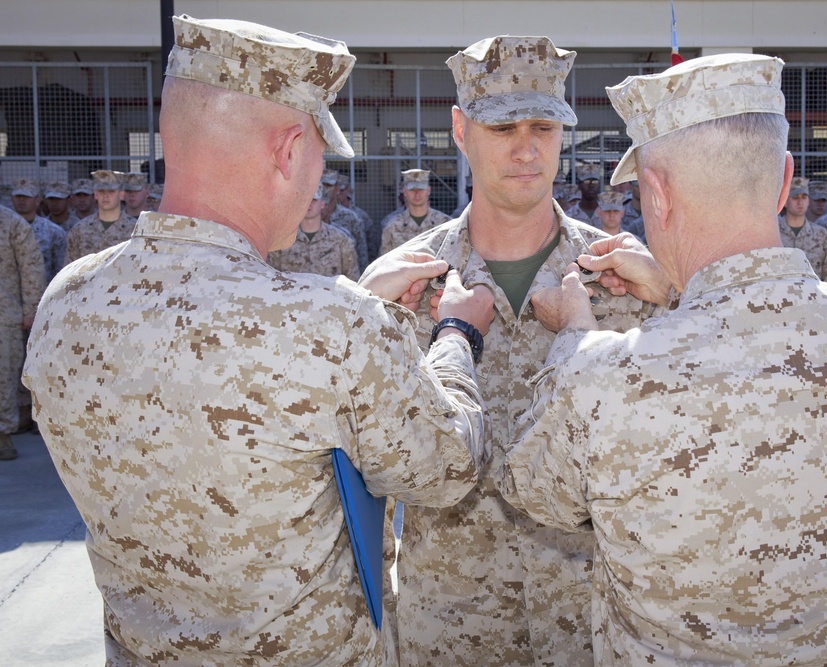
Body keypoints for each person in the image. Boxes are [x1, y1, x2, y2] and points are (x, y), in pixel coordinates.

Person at [23, 15, 495, 666]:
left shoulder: (67, 301)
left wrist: (357, 303)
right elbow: (445, 468)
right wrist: (456, 332)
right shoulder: (333, 325)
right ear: (288, 152)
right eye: (318, 156)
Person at [499, 52, 827, 666]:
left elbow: (534, 491)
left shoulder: (606, 378)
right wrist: (675, 290)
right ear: (786, 180)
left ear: (655, 197)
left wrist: (572, 337)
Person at [361, 34, 658, 667]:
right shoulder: (405, 282)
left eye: (544, 126)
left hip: (590, 622)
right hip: (449, 622)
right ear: (461, 130)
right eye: (502, 128)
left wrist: (679, 294)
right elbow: (369, 474)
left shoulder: (623, 276)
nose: (527, 149)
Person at [1, 204, 46, 461]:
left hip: (4, 312)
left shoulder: (11, 223)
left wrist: (31, 308)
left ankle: (3, 434)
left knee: (4, 375)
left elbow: (31, 266)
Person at [268, 184, 361, 280]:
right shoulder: (282, 241)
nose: (309, 203)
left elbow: (352, 280)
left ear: (323, 204)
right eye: (305, 199)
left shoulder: (341, 240)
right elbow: (271, 279)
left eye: (314, 199)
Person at [66, 170, 136, 262]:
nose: (105, 196)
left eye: (111, 191)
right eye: (101, 191)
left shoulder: (135, 230)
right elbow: (69, 269)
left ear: (121, 195)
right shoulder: (79, 230)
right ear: (95, 194)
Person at [778, 176, 827, 283]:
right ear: (785, 202)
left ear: (808, 201)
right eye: (795, 197)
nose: (800, 202)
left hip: (813, 297)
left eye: (804, 197)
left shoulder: (821, 235)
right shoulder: (774, 233)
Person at [379, 168, 450, 255]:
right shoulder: (393, 226)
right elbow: (384, 263)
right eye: (412, 190)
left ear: (428, 190)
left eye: (421, 189)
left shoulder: (444, 224)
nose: (417, 194)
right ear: (405, 192)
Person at [10, 178, 67, 283]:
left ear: (37, 200)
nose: (21, 200)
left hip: (41, 290)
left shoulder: (53, 231)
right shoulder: (4, 229)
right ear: (12, 199)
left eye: (26, 197)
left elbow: (60, 269)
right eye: (18, 196)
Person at [321, 170, 368, 269]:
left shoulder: (351, 218)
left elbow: (361, 253)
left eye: (328, 186)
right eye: (321, 185)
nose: (324, 189)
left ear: (337, 190)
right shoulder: (307, 216)